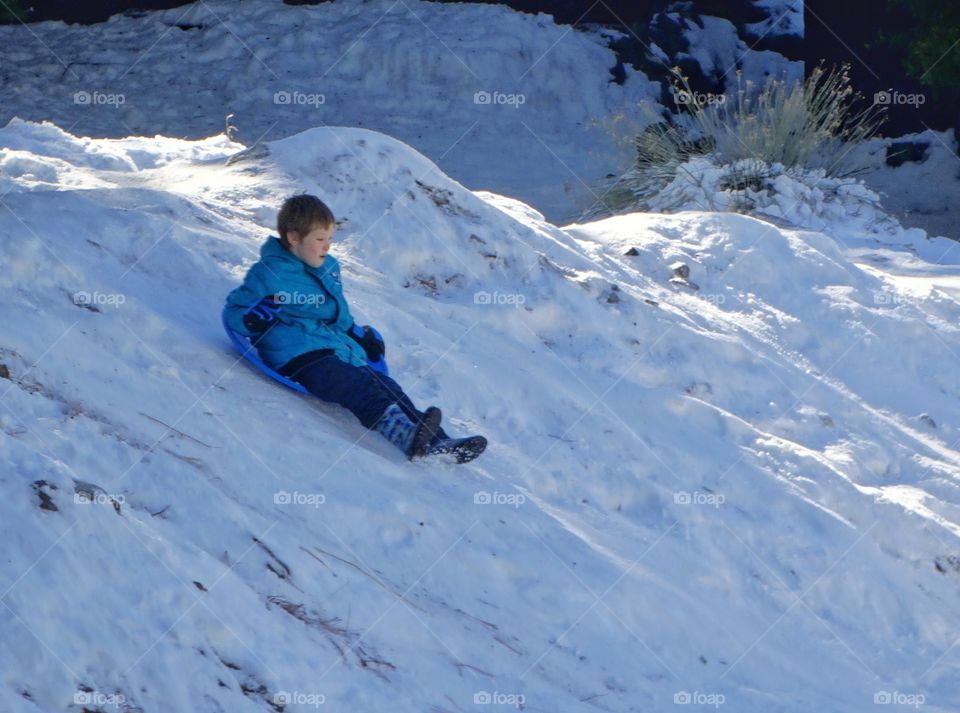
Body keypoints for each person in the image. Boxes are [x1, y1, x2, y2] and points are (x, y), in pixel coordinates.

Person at [223, 193, 485, 462]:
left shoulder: (327, 268)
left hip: (333, 347)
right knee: (356, 387)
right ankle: (404, 435)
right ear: (293, 238)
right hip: (297, 354)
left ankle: (439, 441)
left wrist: (359, 336)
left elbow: (339, 315)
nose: (326, 247)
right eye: (319, 239)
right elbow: (234, 312)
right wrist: (254, 318)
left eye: (330, 239)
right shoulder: (269, 273)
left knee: (385, 384)